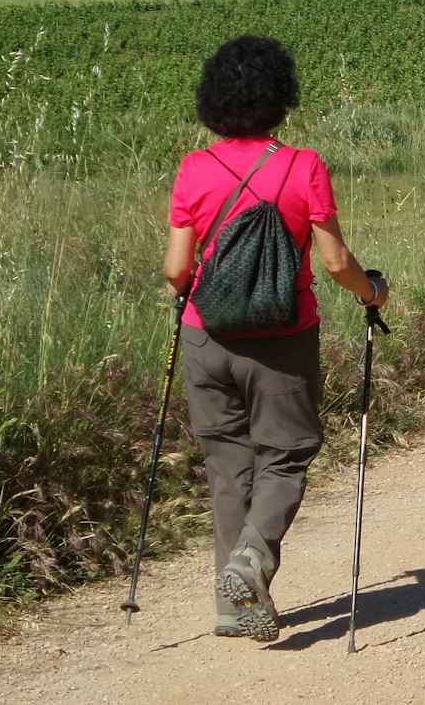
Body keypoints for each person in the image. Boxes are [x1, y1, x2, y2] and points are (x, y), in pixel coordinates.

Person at [161, 35, 389, 642]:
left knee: (227, 464)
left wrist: (191, 287)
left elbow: (177, 270)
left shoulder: (194, 169)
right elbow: (336, 261)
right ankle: (253, 559)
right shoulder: (302, 165)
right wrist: (372, 293)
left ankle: (231, 606)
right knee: (285, 454)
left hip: (206, 338)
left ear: (214, 100)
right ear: (280, 98)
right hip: (284, 337)